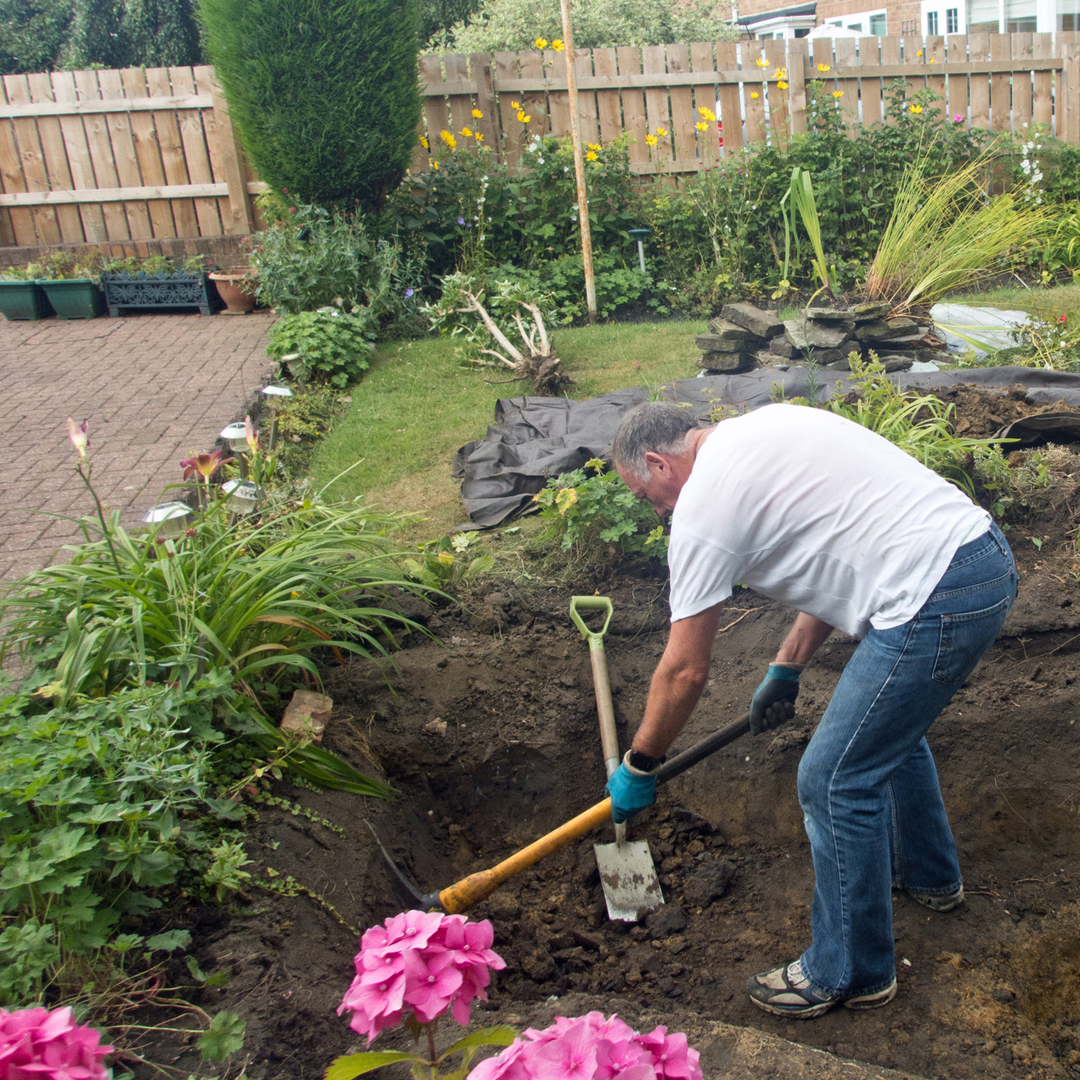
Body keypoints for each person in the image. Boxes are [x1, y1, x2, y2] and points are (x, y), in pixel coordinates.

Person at [605, 400, 1017, 1019]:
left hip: (933, 595)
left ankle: (850, 971)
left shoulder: (703, 508)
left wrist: (640, 763)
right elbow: (840, 544)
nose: (657, 511)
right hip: (980, 557)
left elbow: (684, 669)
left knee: (831, 780)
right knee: (885, 737)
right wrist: (787, 664)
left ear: (661, 462)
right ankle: (929, 877)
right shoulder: (769, 426)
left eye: (646, 495)